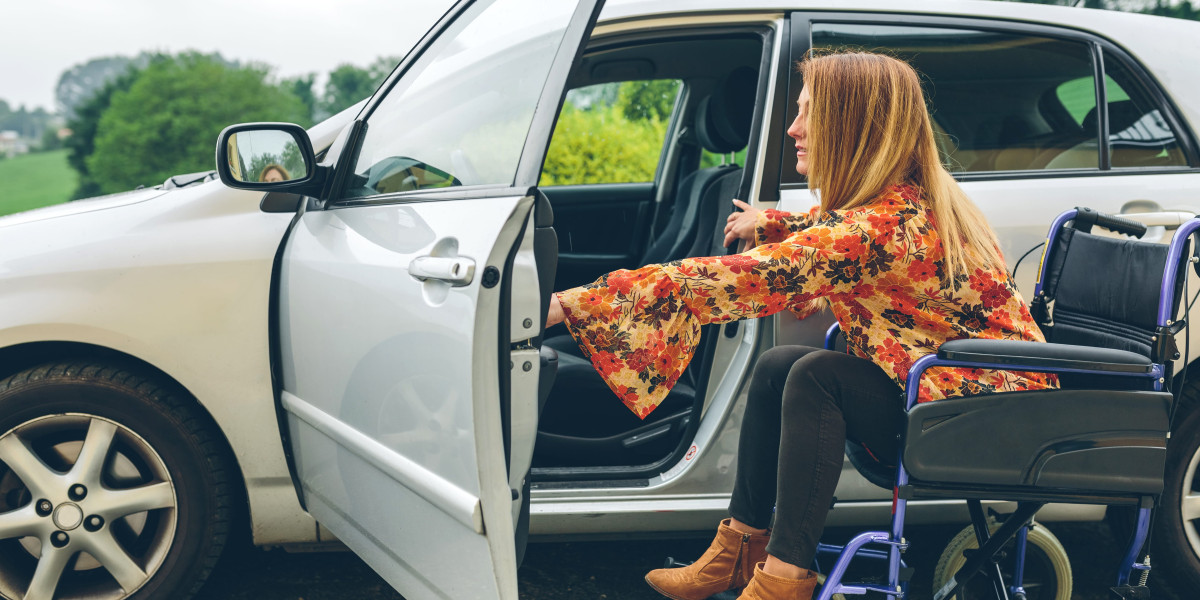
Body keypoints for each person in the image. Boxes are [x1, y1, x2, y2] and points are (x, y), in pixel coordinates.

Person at [545, 51, 1056, 600]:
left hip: (983, 417)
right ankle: (739, 548)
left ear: (853, 128)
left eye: (808, 113)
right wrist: (773, 221)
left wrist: (570, 305)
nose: (793, 129)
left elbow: (743, 276)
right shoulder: (901, 202)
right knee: (779, 365)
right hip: (955, 392)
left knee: (818, 376)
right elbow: (831, 232)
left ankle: (785, 578)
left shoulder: (883, 227)